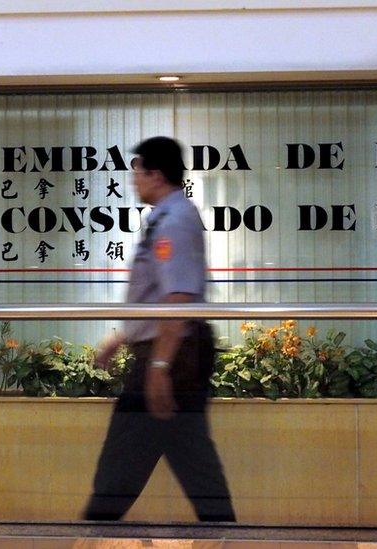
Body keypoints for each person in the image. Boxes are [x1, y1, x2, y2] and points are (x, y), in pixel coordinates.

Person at [83, 136, 236, 522]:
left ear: (155, 173)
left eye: (137, 170)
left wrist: (157, 367)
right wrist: (122, 337)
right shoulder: (165, 218)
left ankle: (94, 530)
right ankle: (227, 532)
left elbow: (179, 297)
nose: (133, 179)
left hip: (172, 354)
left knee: (123, 462)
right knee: (189, 457)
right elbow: (158, 297)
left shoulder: (175, 220)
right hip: (167, 350)